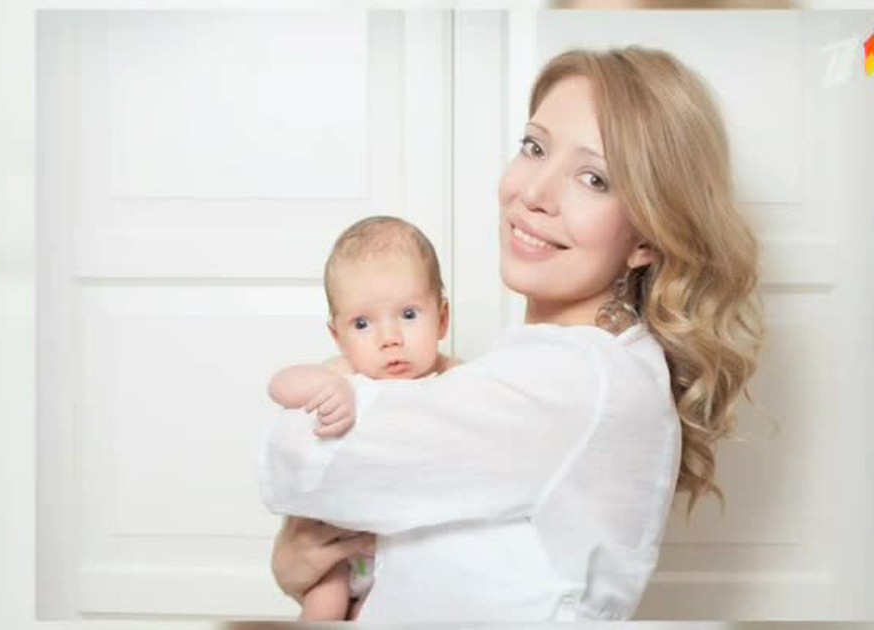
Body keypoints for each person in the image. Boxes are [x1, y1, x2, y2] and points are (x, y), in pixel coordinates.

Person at [260, 46, 763, 621]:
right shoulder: (570, 365)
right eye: (535, 147)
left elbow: (302, 459)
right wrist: (309, 568)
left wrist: (334, 382)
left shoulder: (574, 379)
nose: (534, 194)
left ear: (648, 236)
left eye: (594, 178)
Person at [267, 215, 459, 620]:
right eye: (362, 323)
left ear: (442, 318)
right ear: (338, 336)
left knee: (383, 613)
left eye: (409, 314)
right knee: (326, 601)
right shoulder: (342, 373)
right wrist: (327, 388)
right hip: (343, 548)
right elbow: (280, 385)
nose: (389, 338)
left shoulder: (454, 376)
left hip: (411, 551)